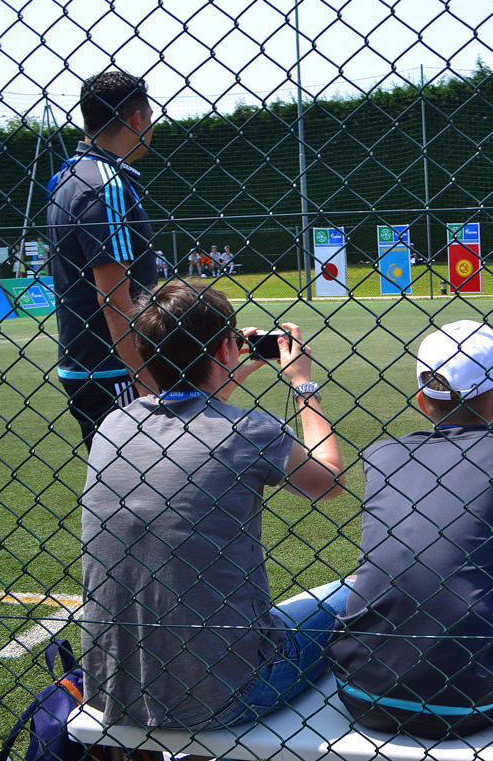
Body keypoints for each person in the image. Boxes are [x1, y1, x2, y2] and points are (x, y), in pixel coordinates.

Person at [81, 282, 348, 729]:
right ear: (227, 347)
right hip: (229, 690)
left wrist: (230, 366)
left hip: (112, 685)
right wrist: (303, 382)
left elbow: (191, 408)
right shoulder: (250, 432)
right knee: (353, 595)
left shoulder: (114, 424)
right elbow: (330, 480)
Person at [330, 320, 493, 738]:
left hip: (358, 693)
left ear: (422, 400)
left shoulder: (383, 453)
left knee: (342, 590)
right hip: (471, 701)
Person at [47, 69, 158, 449]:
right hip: (114, 369)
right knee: (148, 485)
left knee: (119, 488)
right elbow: (113, 299)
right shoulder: (104, 185)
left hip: (88, 360)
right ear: (136, 118)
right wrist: (146, 381)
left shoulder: (68, 176)